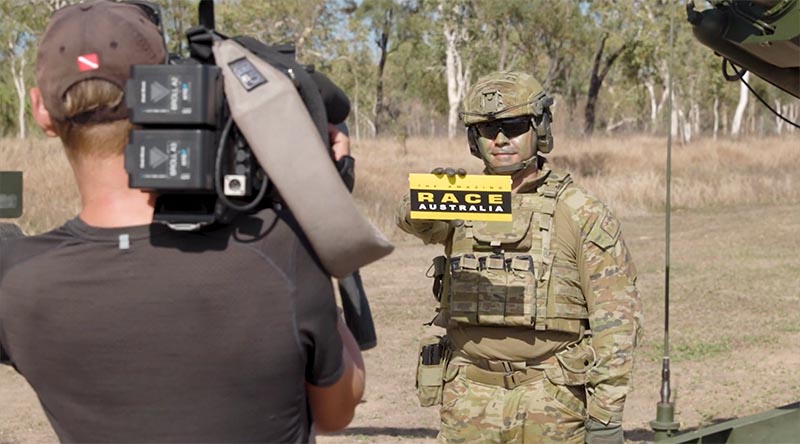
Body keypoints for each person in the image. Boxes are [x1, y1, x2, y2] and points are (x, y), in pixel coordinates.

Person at [0, 1, 364, 442]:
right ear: (172, 88)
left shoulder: (16, 279)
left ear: (41, 110)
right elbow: (337, 410)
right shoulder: (280, 251)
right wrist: (310, 201)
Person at [397, 71, 644, 444]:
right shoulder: (463, 201)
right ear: (473, 139)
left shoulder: (579, 210)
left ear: (539, 128)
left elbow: (617, 321)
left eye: (513, 127)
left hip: (551, 399)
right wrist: (429, 195)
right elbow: (410, 221)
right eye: (487, 129)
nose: (500, 140)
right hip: (468, 396)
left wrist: (605, 417)